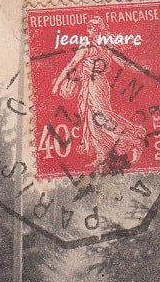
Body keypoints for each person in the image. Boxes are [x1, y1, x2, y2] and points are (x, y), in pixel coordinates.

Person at [51, 15, 146, 170]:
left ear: (98, 30)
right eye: (88, 27)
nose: (88, 30)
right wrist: (58, 83)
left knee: (100, 117)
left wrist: (142, 69)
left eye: (92, 27)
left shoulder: (98, 46)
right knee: (91, 118)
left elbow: (122, 62)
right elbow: (73, 64)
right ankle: (101, 155)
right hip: (88, 84)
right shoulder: (92, 45)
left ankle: (133, 141)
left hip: (96, 84)